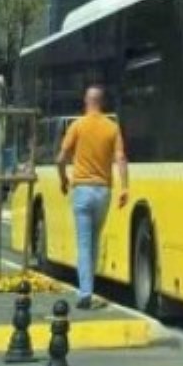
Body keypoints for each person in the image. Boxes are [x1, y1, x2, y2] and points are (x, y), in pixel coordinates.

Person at [56, 85, 128, 310]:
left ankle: (85, 293)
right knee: (94, 241)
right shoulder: (112, 128)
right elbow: (121, 158)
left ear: (87, 102)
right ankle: (89, 287)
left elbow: (61, 158)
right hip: (103, 191)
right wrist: (125, 187)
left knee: (84, 243)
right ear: (102, 103)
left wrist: (63, 179)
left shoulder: (77, 126)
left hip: (82, 191)